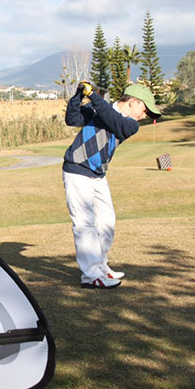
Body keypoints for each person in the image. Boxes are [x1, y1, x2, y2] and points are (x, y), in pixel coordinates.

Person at [63, 82, 161, 289]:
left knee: (107, 222)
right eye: (145, 110)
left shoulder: (130, 125)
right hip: (77, 169)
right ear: (133, 102)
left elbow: (113, 120)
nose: (144, 116)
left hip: (98, 174)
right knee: (85, 224)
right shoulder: (98, 109)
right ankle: (91, 275)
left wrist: (94, 96)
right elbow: (72, 119)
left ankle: (100, 265)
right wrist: (79, 95)